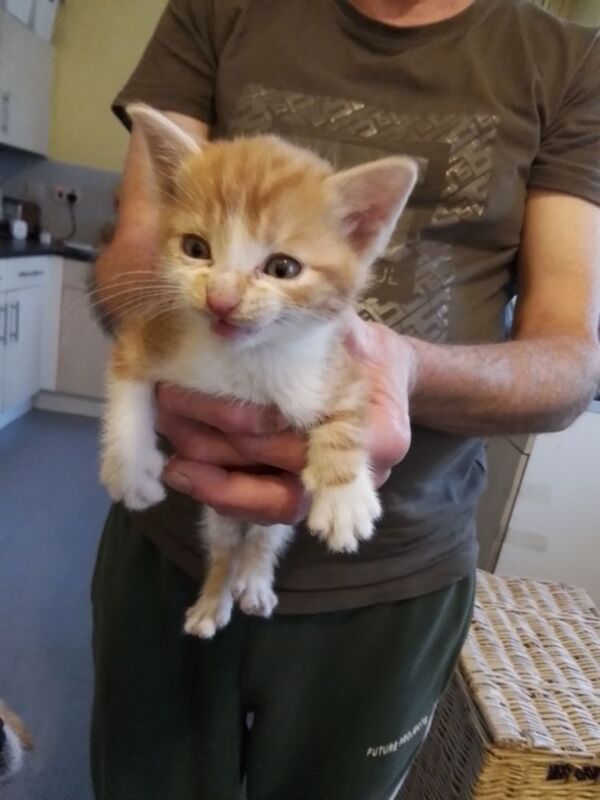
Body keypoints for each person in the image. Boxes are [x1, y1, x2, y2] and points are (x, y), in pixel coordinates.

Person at [92, 1, 600, 798]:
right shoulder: (216, 9)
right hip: (168, 542)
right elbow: (138, 245)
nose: (228, 292)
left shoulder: (568, 62)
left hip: (395, 575)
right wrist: (162, 354)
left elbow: (572, 362)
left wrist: (407, 370)